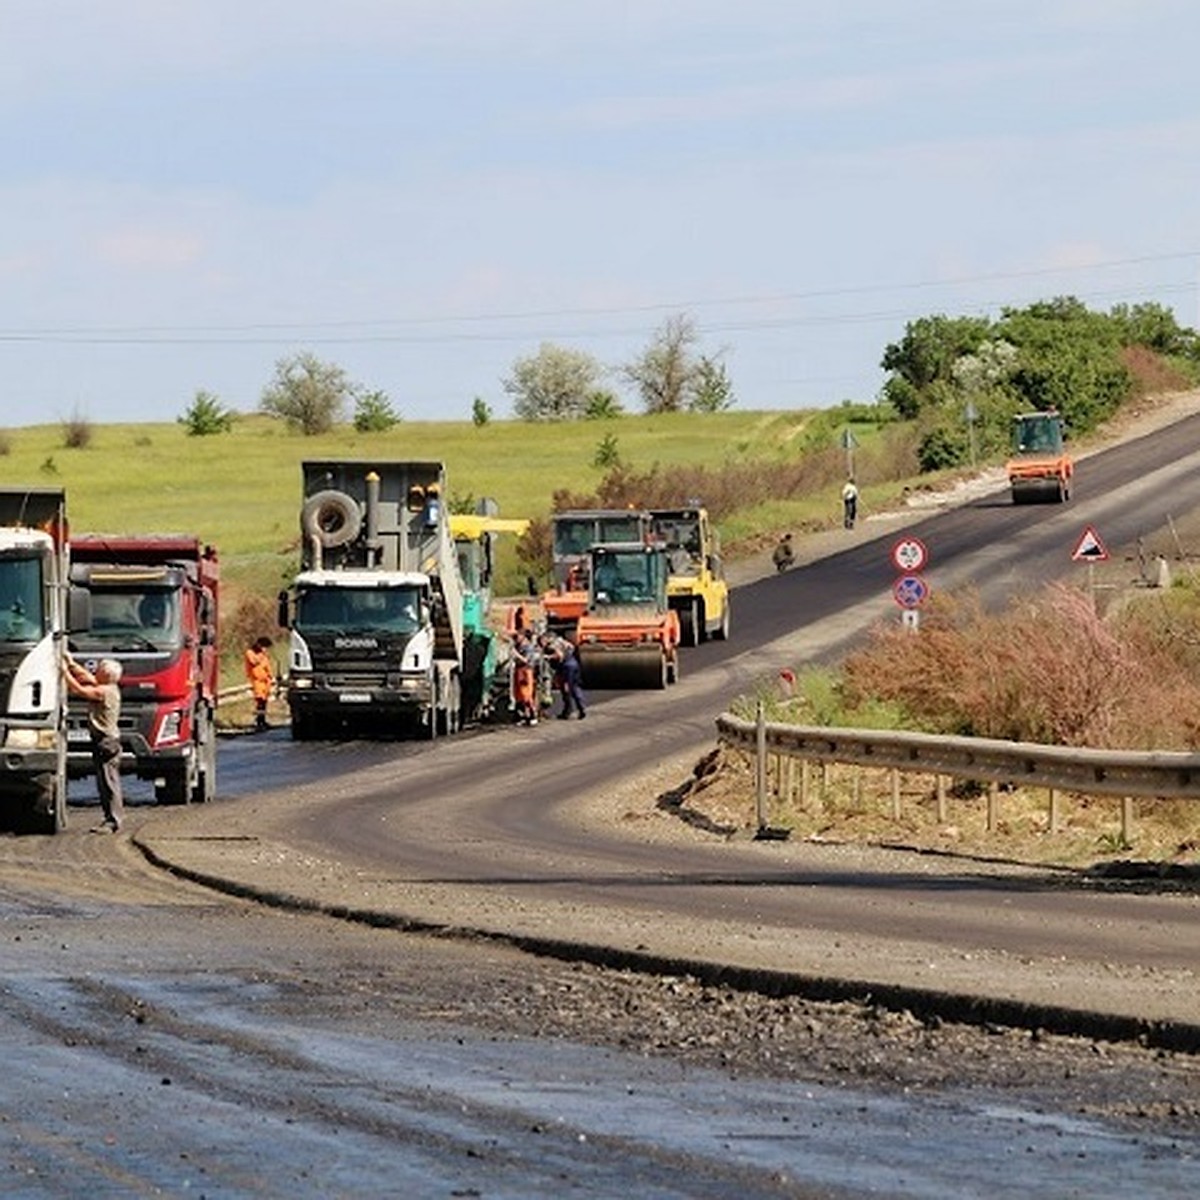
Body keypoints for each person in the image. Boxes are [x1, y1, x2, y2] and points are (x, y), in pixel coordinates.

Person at [64, 655, 125, 833]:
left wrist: (63, 672)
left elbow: (78, 690)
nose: (94, 672)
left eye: (98, 670)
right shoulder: (108, 686)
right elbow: (86, 677)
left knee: (109, 782)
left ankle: (113, 821)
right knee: (104, 781)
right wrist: (71, 662)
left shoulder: (104, 692)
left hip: (106, 742)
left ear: (105, 675)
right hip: (104, 741)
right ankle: (110, 819)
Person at [540, 632, 586, 720]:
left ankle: (568, 711)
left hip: (566, 667)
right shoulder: (562, 641)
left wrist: (548, 657)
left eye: (542, 640)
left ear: (547, 638)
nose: (542, 643)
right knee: (575, 687)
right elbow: (572, 647)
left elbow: (559, 655)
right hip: (574, 664)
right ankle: (581, 708)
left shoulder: (552, 645)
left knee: (566, 688)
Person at [244, 636, 275, 731]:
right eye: (264, 647)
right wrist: (262, 655)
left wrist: (271, 676)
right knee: (260, 701)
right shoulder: (250, 653)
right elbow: (254, 662)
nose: (265, 649)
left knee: (264, 702)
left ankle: (263, 720)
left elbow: (267, 666)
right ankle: (258, 722)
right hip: (257, 681)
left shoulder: (263, 655)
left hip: (265, 681)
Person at [510, 629, 540, 726]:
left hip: (526, 671)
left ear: (523, 636)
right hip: (518, 670)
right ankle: (522, 716)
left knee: (526, 694)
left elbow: (526, 660)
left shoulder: (528, 647)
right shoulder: (517, 645)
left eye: (517, 636)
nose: (516, 639)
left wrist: (516, 655)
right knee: (518, 695)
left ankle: (532, 715)